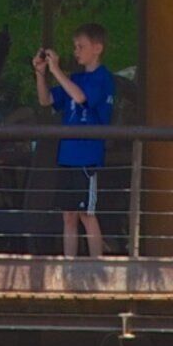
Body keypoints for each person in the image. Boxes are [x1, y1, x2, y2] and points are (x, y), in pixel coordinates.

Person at [32, 24, 116, 259]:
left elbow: (81, 97)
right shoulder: (75, 78)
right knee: (68, 215)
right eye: (75, 47)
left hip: (87, 157)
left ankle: (95, 265)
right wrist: (41, 73)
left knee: (87, 214)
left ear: (97, 48)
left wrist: (56, 69)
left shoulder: (102, 79)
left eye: (81, 46)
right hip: (66, 155)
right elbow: (46, 99)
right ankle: (69, 266)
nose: (76, 51)